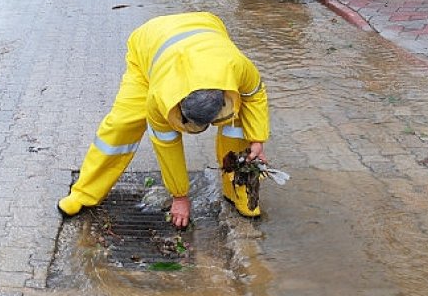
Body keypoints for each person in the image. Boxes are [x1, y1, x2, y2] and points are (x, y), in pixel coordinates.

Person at [58, 12, 270, 227]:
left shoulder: (237, 67)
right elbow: (167, 146)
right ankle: (84, 193)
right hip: (148, 45)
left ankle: (239, 191)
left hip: (206, 27)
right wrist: (179, 196)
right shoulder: (160, 96)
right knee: (122, 124)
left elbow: (255, 96)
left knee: (238, 125)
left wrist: (257, 139)